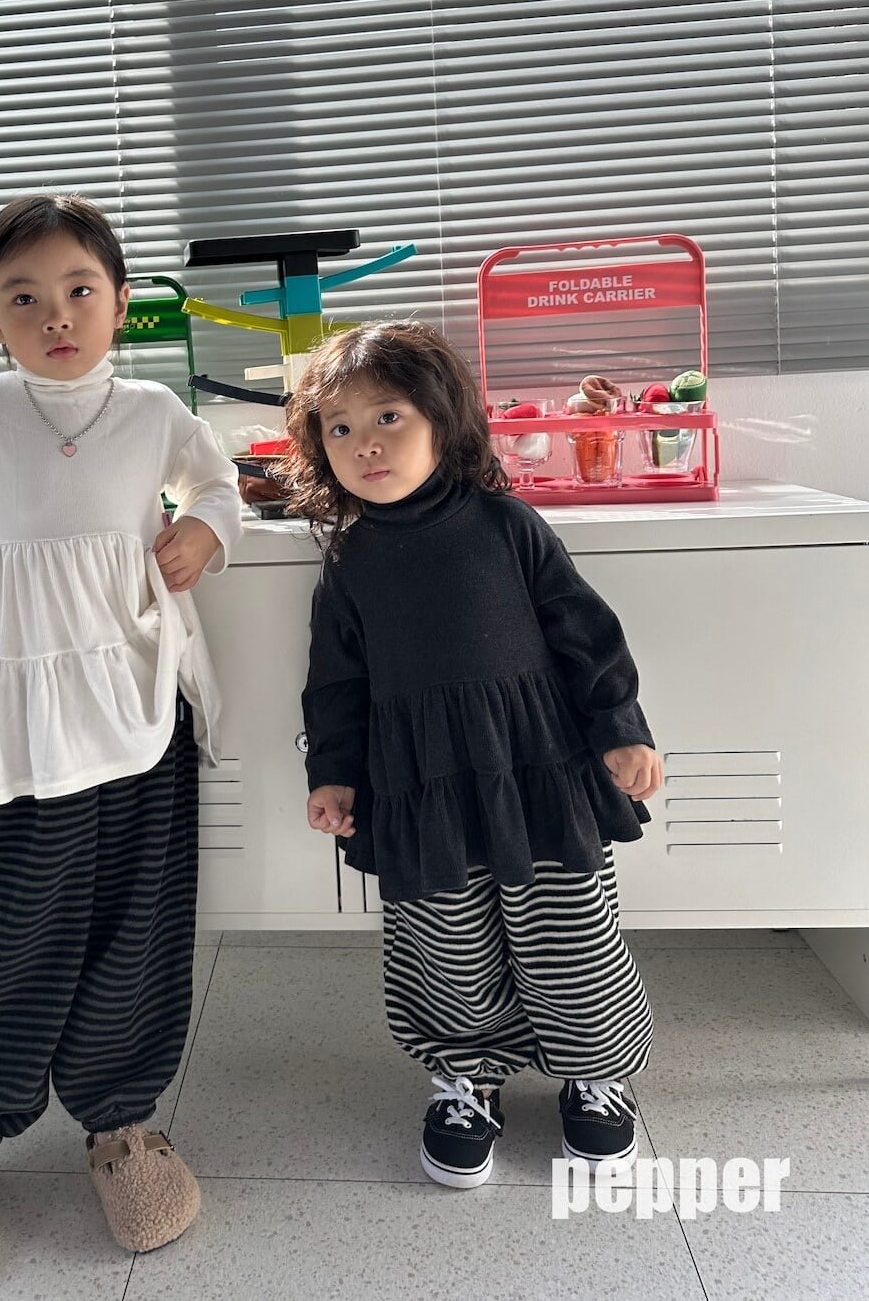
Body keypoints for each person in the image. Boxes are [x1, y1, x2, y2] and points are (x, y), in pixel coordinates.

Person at [0, 194, 243, 1285]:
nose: (56, 315)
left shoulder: (153, 409)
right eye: (24, 297)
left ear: (120, 303)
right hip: (16, 711)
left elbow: (218, 483)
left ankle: (120, 1124)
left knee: (136, 917)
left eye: (80, 290)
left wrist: (201, 530)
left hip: (133, 698)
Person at [283, 320, 662, 1190]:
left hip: (537, 767)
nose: (365, 442)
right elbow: (335, 681)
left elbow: (585, 631)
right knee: (446, 942)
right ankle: (467, 1073)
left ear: (442, 420)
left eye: (388, 417)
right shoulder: (349, 560)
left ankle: (595, 1072)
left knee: (570, 932)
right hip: (419, 783)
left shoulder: (506, 523)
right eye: (340, 427)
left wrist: (621, 726)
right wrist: (332, 773)